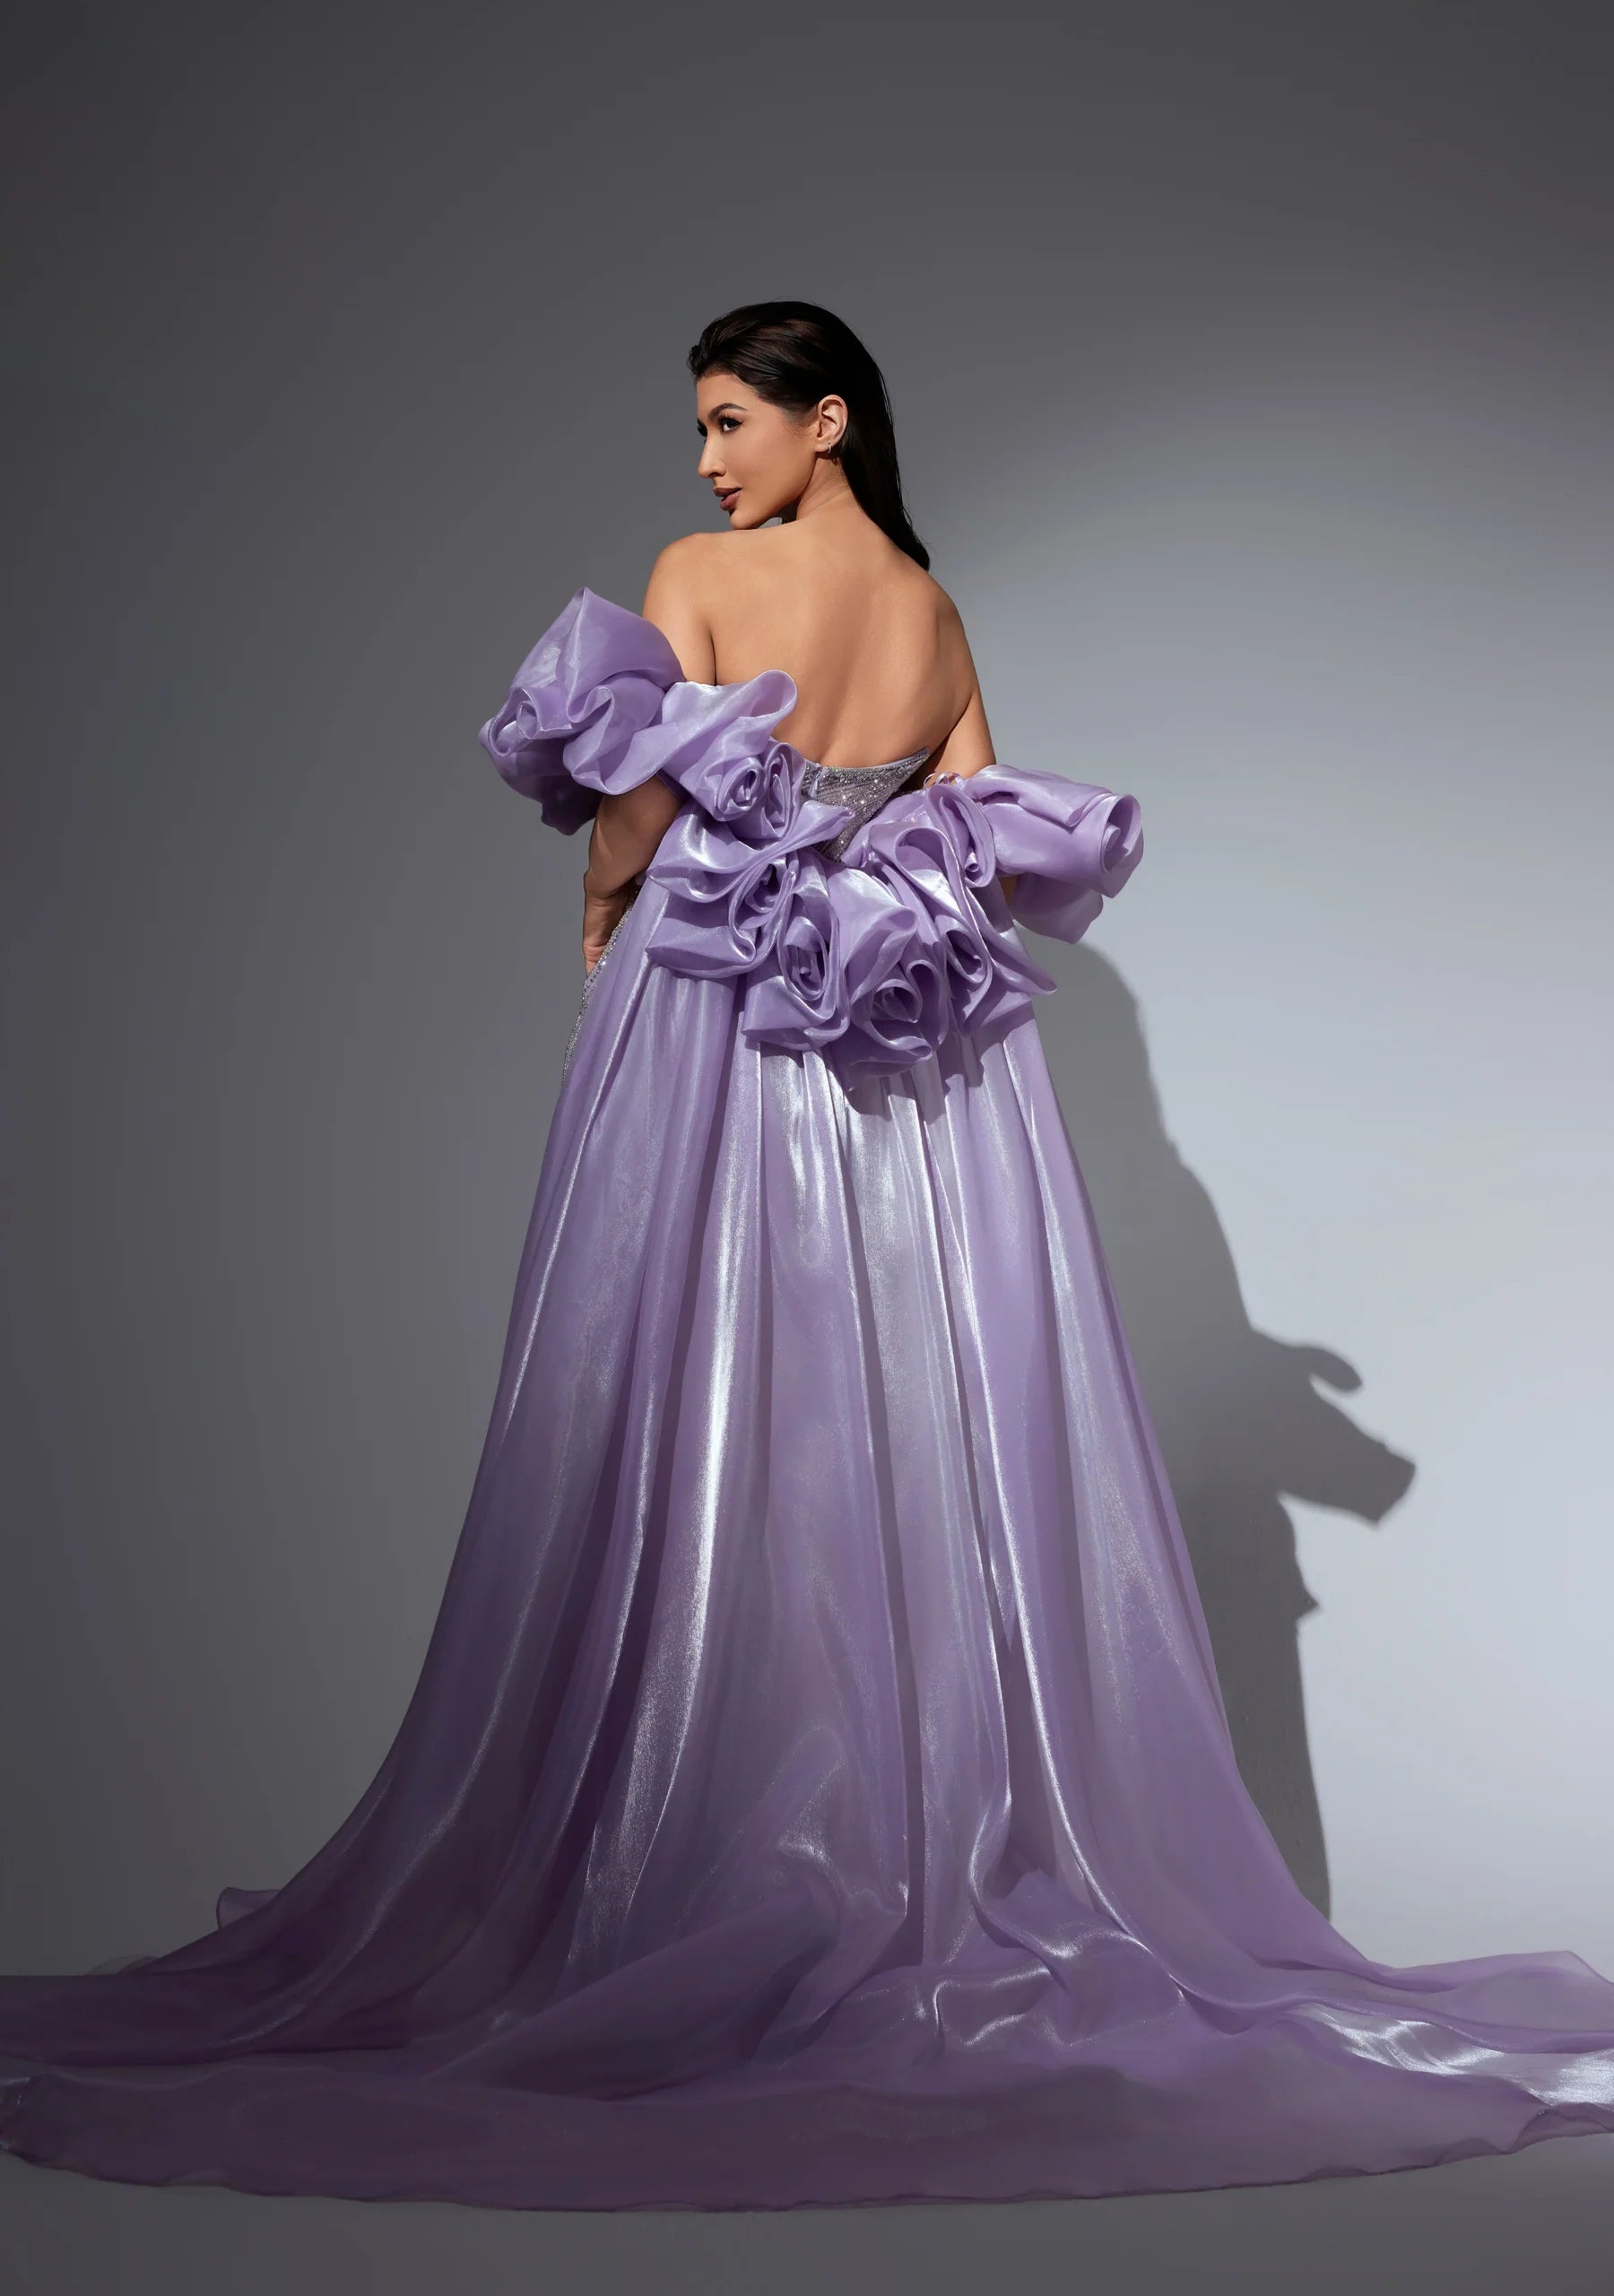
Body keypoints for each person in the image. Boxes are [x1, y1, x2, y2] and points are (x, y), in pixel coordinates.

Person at [1, 301, 1611, 2213]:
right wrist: (870, 870)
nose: (705, 462)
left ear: (823, 419)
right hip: (906, 1036)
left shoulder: (699, 579)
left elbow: (642, 799)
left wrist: (598, 924)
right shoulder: (931, 609)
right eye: (700, 431)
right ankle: (910, 1852)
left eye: (728, 421)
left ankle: (688, 1840)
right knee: (911, 1409)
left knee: (686, 1383)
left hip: (715, 1007)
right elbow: (985, 832)